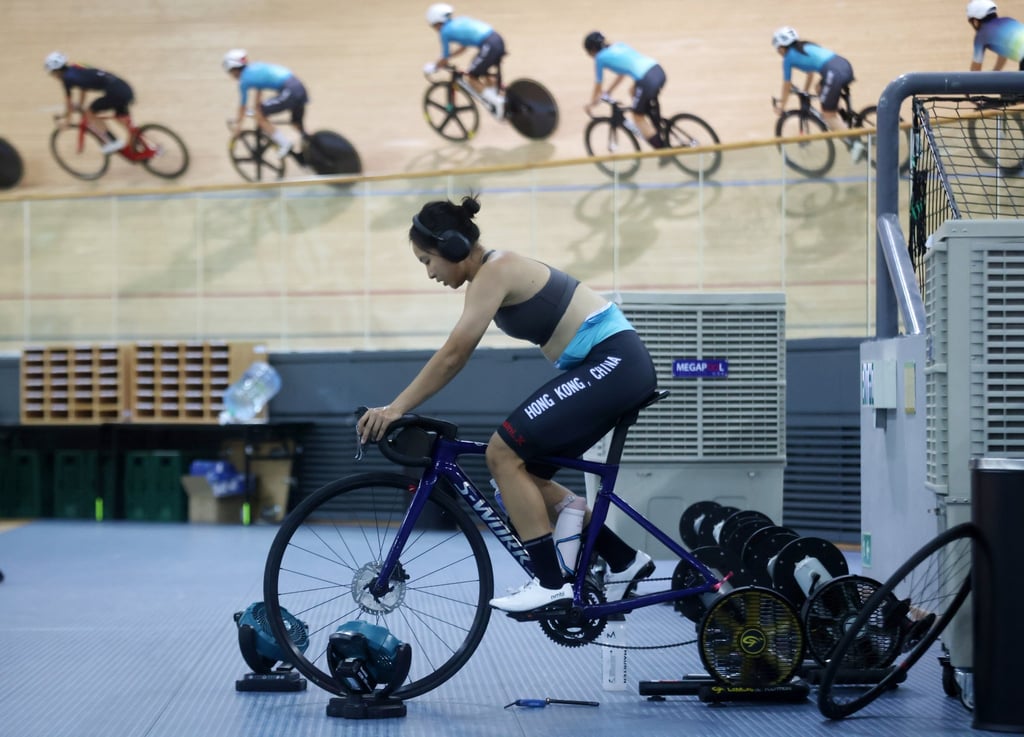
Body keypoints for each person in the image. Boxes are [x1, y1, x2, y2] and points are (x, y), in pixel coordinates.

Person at [356, 195, 657, 614]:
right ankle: (624, 560)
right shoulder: (489, 276)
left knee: (502, 454)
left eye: (427, 260)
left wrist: (394, 408)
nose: (429, 273)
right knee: (521, 476)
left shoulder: (495, 270)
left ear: (453, 247)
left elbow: (454, 355)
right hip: (610, 365)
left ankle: (551, 584)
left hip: (615, 363)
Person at [770, 26, 866, 163]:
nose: (778, 52)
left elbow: (786, 85)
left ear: (781, 47)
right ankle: (843, 116)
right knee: (819, 88)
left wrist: (782, 107)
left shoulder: (788, 59)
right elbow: (810, 73)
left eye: (777, 49)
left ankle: (855, 143)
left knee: (827, 115)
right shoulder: (804, 46)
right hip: (843, 64)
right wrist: (805, 91)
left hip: (833, 73)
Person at [583, 31, 668, 155]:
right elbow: (621, 74)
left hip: (646, 80)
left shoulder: (600, 58)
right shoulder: (619, 45)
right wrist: (609, 92)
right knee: (632, 91)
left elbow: (598, 84)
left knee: (637, 117)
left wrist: (592, 104)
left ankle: (664, 152)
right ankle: (655, 122)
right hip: (657, 69)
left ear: (592, 50)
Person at [423, 4, 507, 119]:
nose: (435, 29)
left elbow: (444, 58)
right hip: (496, 39)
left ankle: (498, 102)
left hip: (488, 45)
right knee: (483, 72)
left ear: (437, 22)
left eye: (433, 26)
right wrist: (448, 57)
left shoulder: (444, 32)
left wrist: (434, 67)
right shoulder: (459, 22)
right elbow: (463, 48)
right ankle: (504, 100)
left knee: (471, 77)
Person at [222, 49, 309, 159]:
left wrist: (238, 126)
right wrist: (257, 107)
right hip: (298, 87)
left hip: (289, 91)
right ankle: (310, 145)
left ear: (234, 68)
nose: (231, 75)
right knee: (296, 124)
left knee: (259, 115)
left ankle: (285, 144)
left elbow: (242, 106)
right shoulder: (255, 68)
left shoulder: (244, 80)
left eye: (230, 72)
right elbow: (259, 91)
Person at [44, 51, 135, 155]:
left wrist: (68, 121)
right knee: (121, 119)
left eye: (52, 73)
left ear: (57, 71)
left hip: (115, 93)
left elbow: (68, 101)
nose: (53, 76)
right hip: (123, 87)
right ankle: (137, 141)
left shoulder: (66, 79)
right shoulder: (77, 66)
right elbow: (83, 87)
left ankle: (113, 141)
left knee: (89, 113)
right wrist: (80, 104)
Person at [966, 0, 1024, 70]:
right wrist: (995, 72)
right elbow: (1003, 51)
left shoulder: (981, 35)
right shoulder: (1007, 20)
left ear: (975, 22)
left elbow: (975, 70)